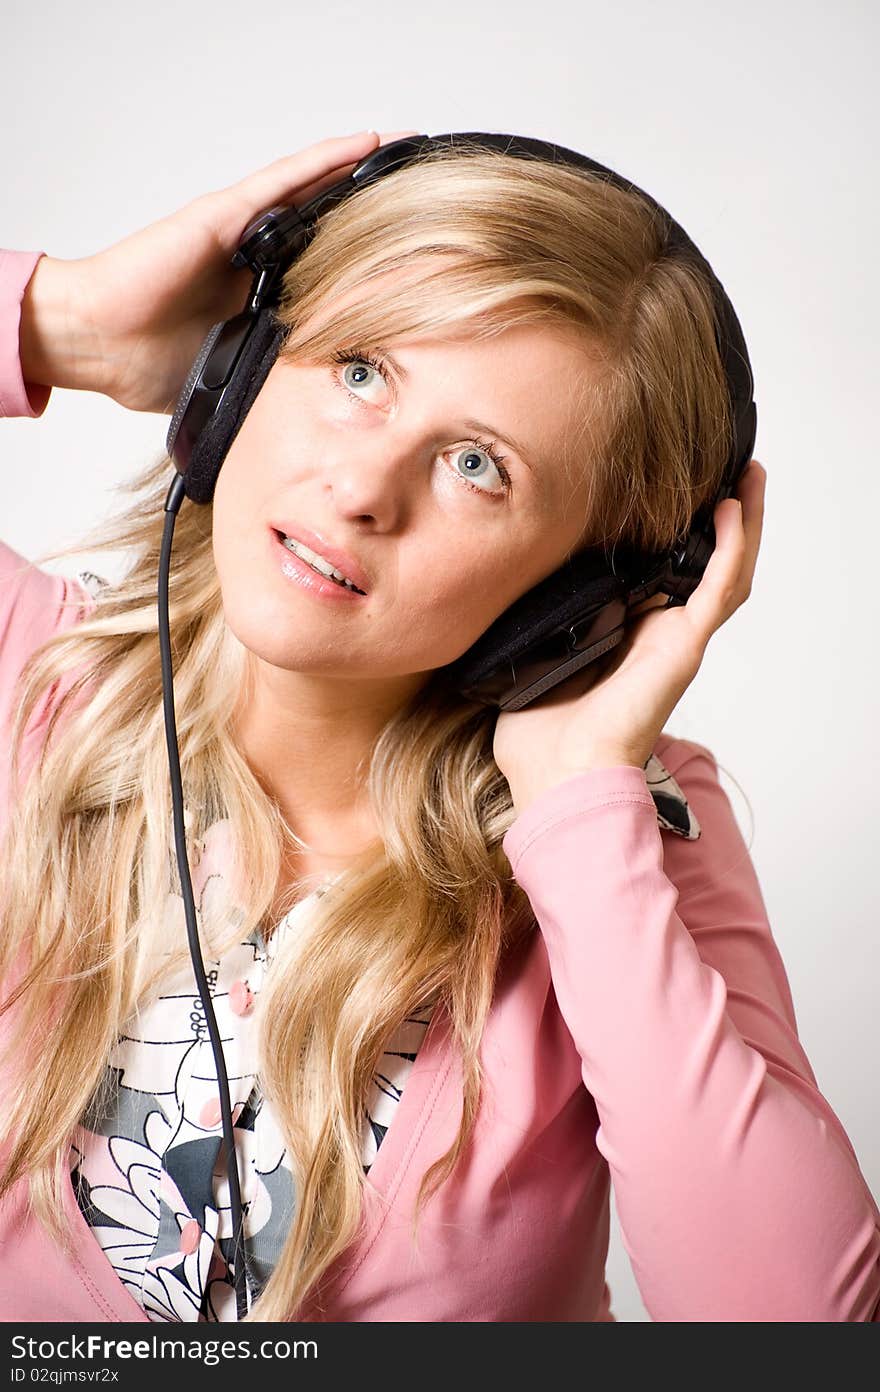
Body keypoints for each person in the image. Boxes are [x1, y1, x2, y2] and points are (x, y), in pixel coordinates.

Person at [1, 129, 878, 1324]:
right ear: (246, 366)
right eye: (359, 370)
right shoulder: (25, 671)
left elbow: (794, 1329)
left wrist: (579, 813)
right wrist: (67, 325)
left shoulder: (627, 835)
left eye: (478, 464)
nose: (362, 491)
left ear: (575, 601)